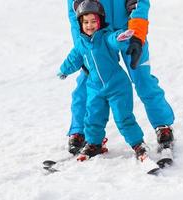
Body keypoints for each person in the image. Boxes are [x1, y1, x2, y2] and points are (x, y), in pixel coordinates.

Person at [66, 0, 175, 155]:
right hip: (96, 33)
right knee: (87, 81)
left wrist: (137, 36)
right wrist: (81, 44)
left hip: (128, 31)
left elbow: (139, 3)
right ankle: (79, 130)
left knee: (142, 78)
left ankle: (162, 125)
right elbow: (75, 11)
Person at [58, 0, 148, 161]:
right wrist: (64, 70)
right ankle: (94, 144)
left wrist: (122, 37)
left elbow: (114, 39)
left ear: (100, 22)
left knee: (123, 117)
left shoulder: (105, 37)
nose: (90, 26)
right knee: (93, 117)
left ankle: (137, 144)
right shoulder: (81, 45)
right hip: (95, 88)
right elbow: (73, 59)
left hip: (117, 86)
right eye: (86, 22)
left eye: (94, 22)